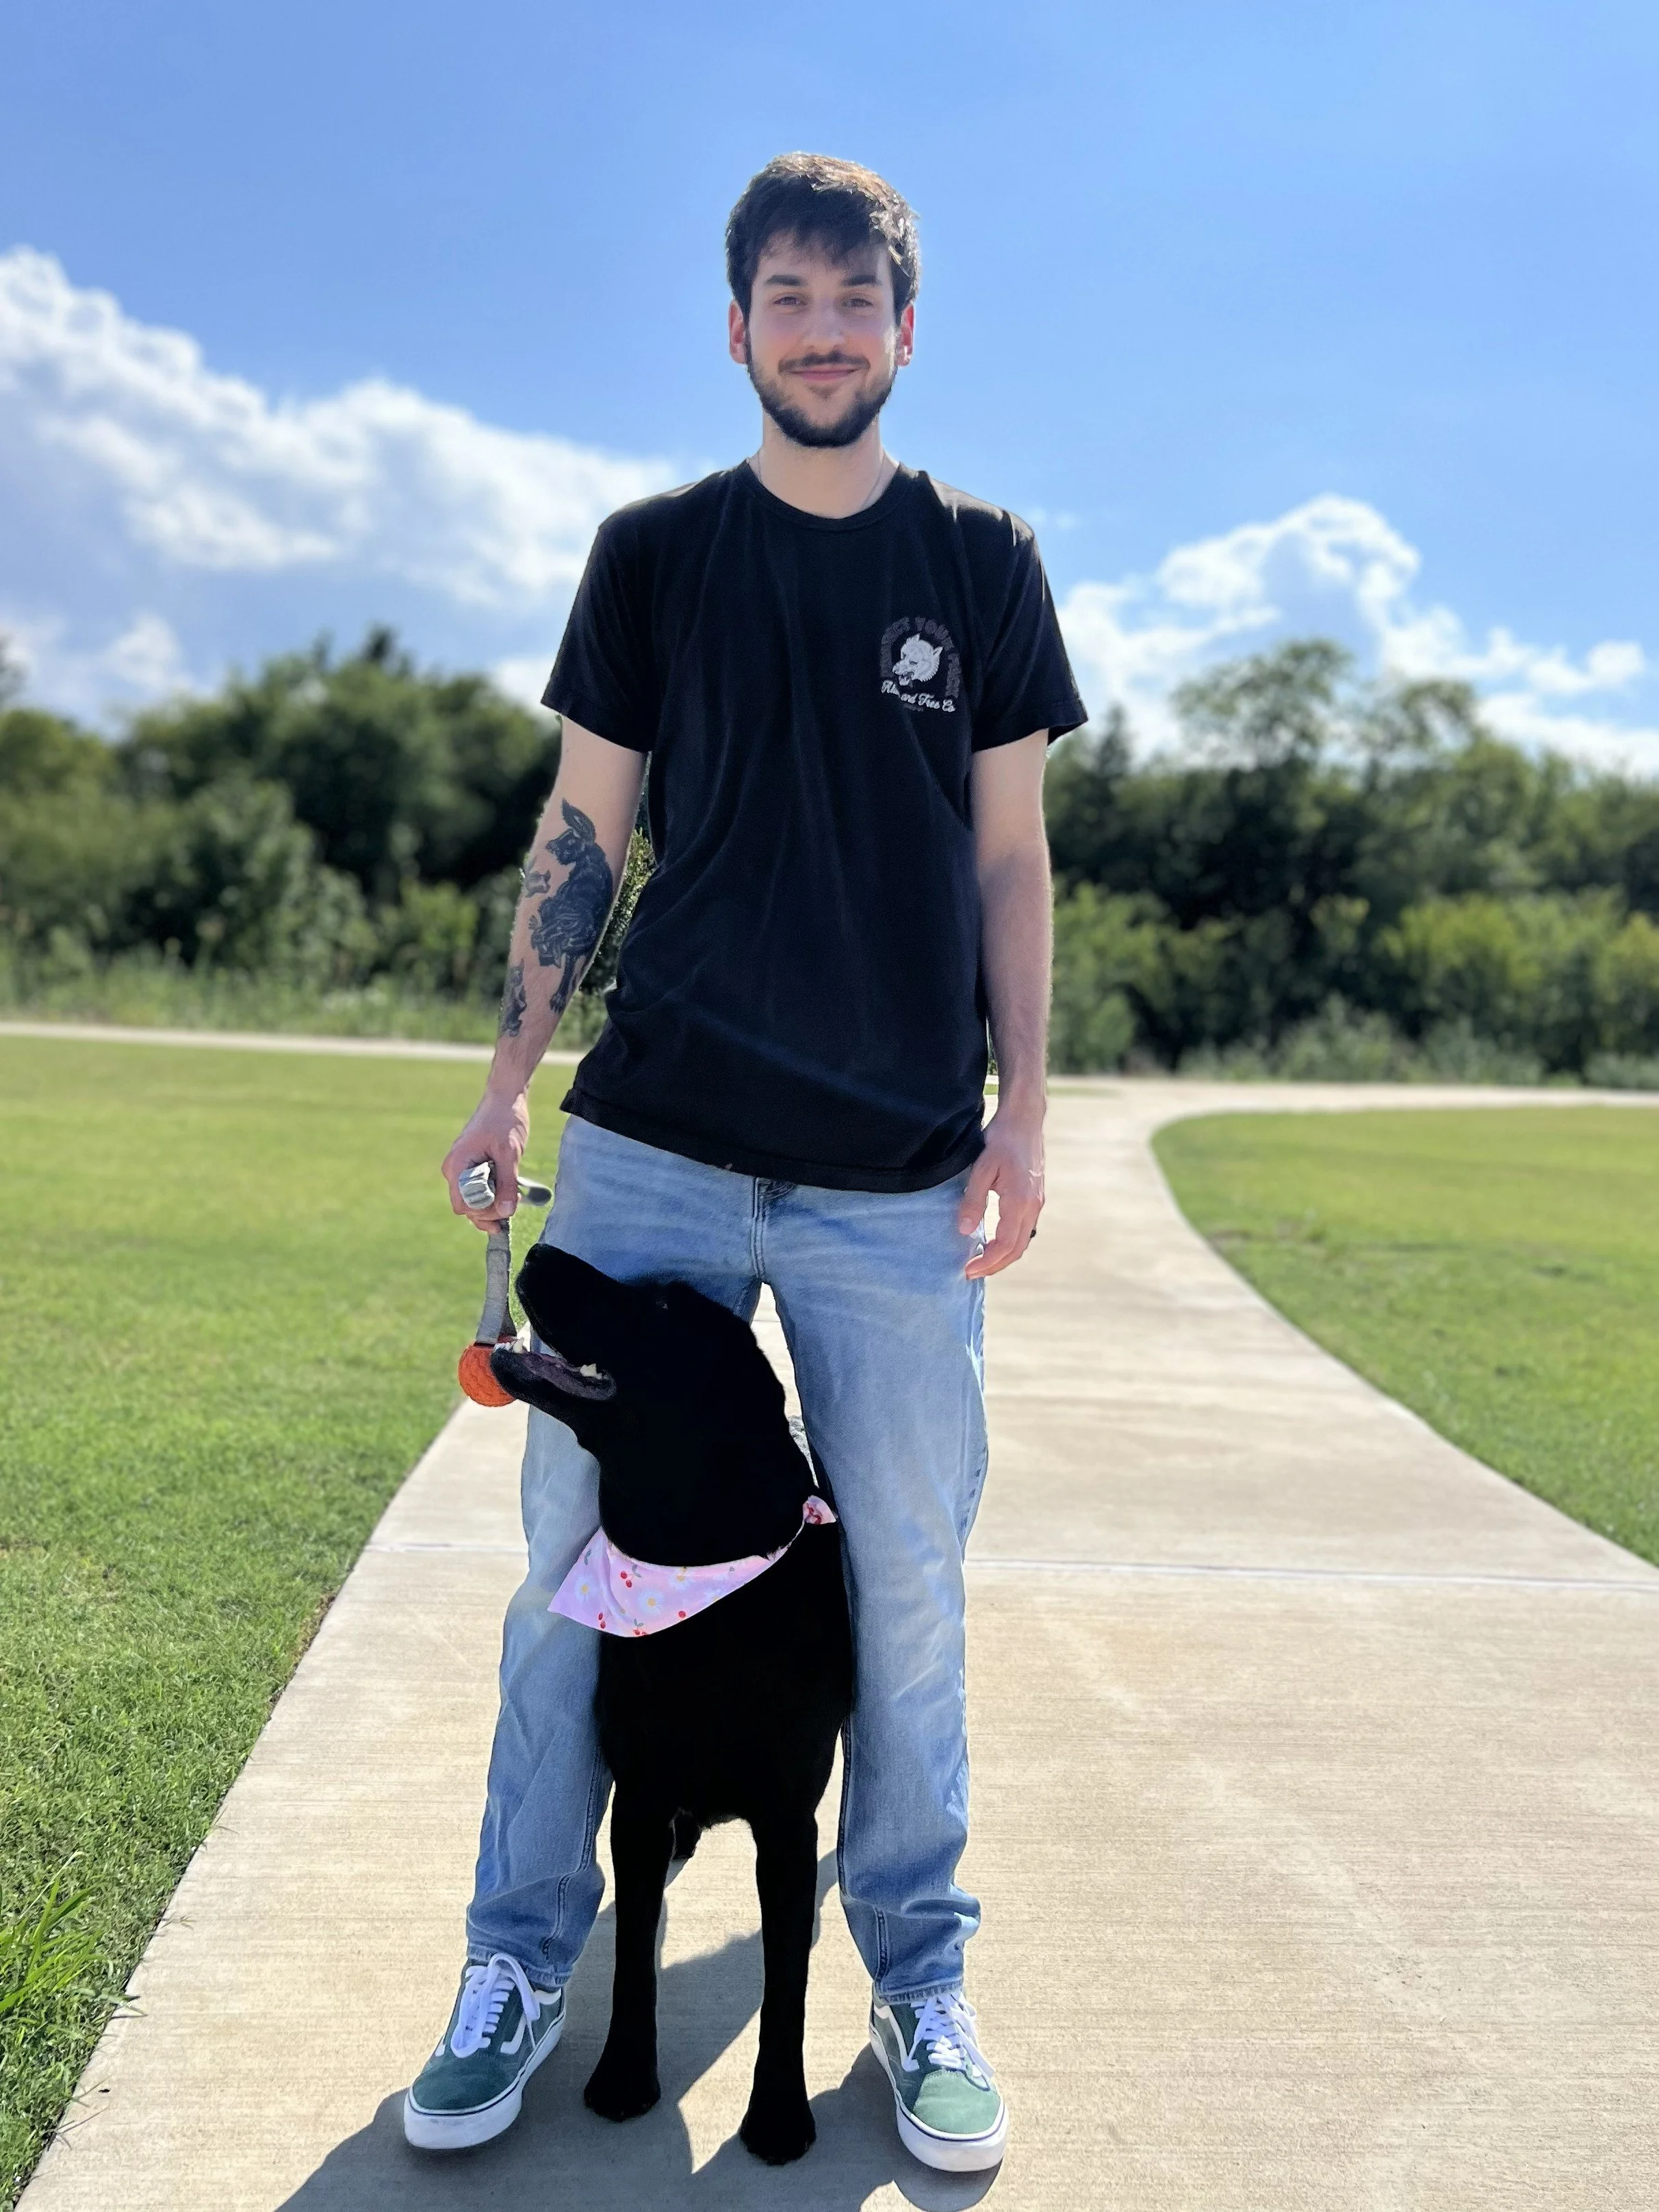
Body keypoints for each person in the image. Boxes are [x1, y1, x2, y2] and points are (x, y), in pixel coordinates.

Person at [403, 151, 1085, 2174]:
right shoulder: (652, 555)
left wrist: (1026, 1110)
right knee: (571, 1584)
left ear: (902, 326)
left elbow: (1007, 857)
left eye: (852, 298)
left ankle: (917, 1965)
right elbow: (581, 834)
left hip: (890, 1173)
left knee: (910, 1598)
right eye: (783, 298)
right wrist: (507, 1075)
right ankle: (524, 1960)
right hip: (658, 1152)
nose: (818, 329)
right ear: (735, 330)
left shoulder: (983, 562)